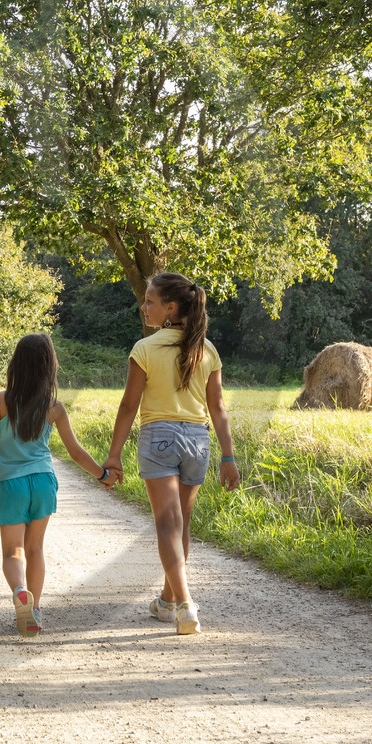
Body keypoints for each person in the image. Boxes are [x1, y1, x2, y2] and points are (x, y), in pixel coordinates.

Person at [103, 272, 239, 635]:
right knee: (182, 525)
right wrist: (228, 457)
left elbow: (129, 405)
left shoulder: (144, 349)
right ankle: (167, 602)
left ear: (170, 307)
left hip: (159, 436)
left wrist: (114, 455)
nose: (143, 306)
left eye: (149, 301)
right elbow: (218, 409)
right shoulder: (207, 349)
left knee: (167, 523)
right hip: (198, 440)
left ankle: (185, 603)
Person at [0, 333, 114, 637]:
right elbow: (75, 452)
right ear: (49, 366)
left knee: (13, 552)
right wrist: (101, 475)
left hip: (12, 485)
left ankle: (21, 591)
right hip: (44, 483)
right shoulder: (54, 407)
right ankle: (34, 611)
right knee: (35, 548)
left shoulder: (1, 400)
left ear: (16, 365)